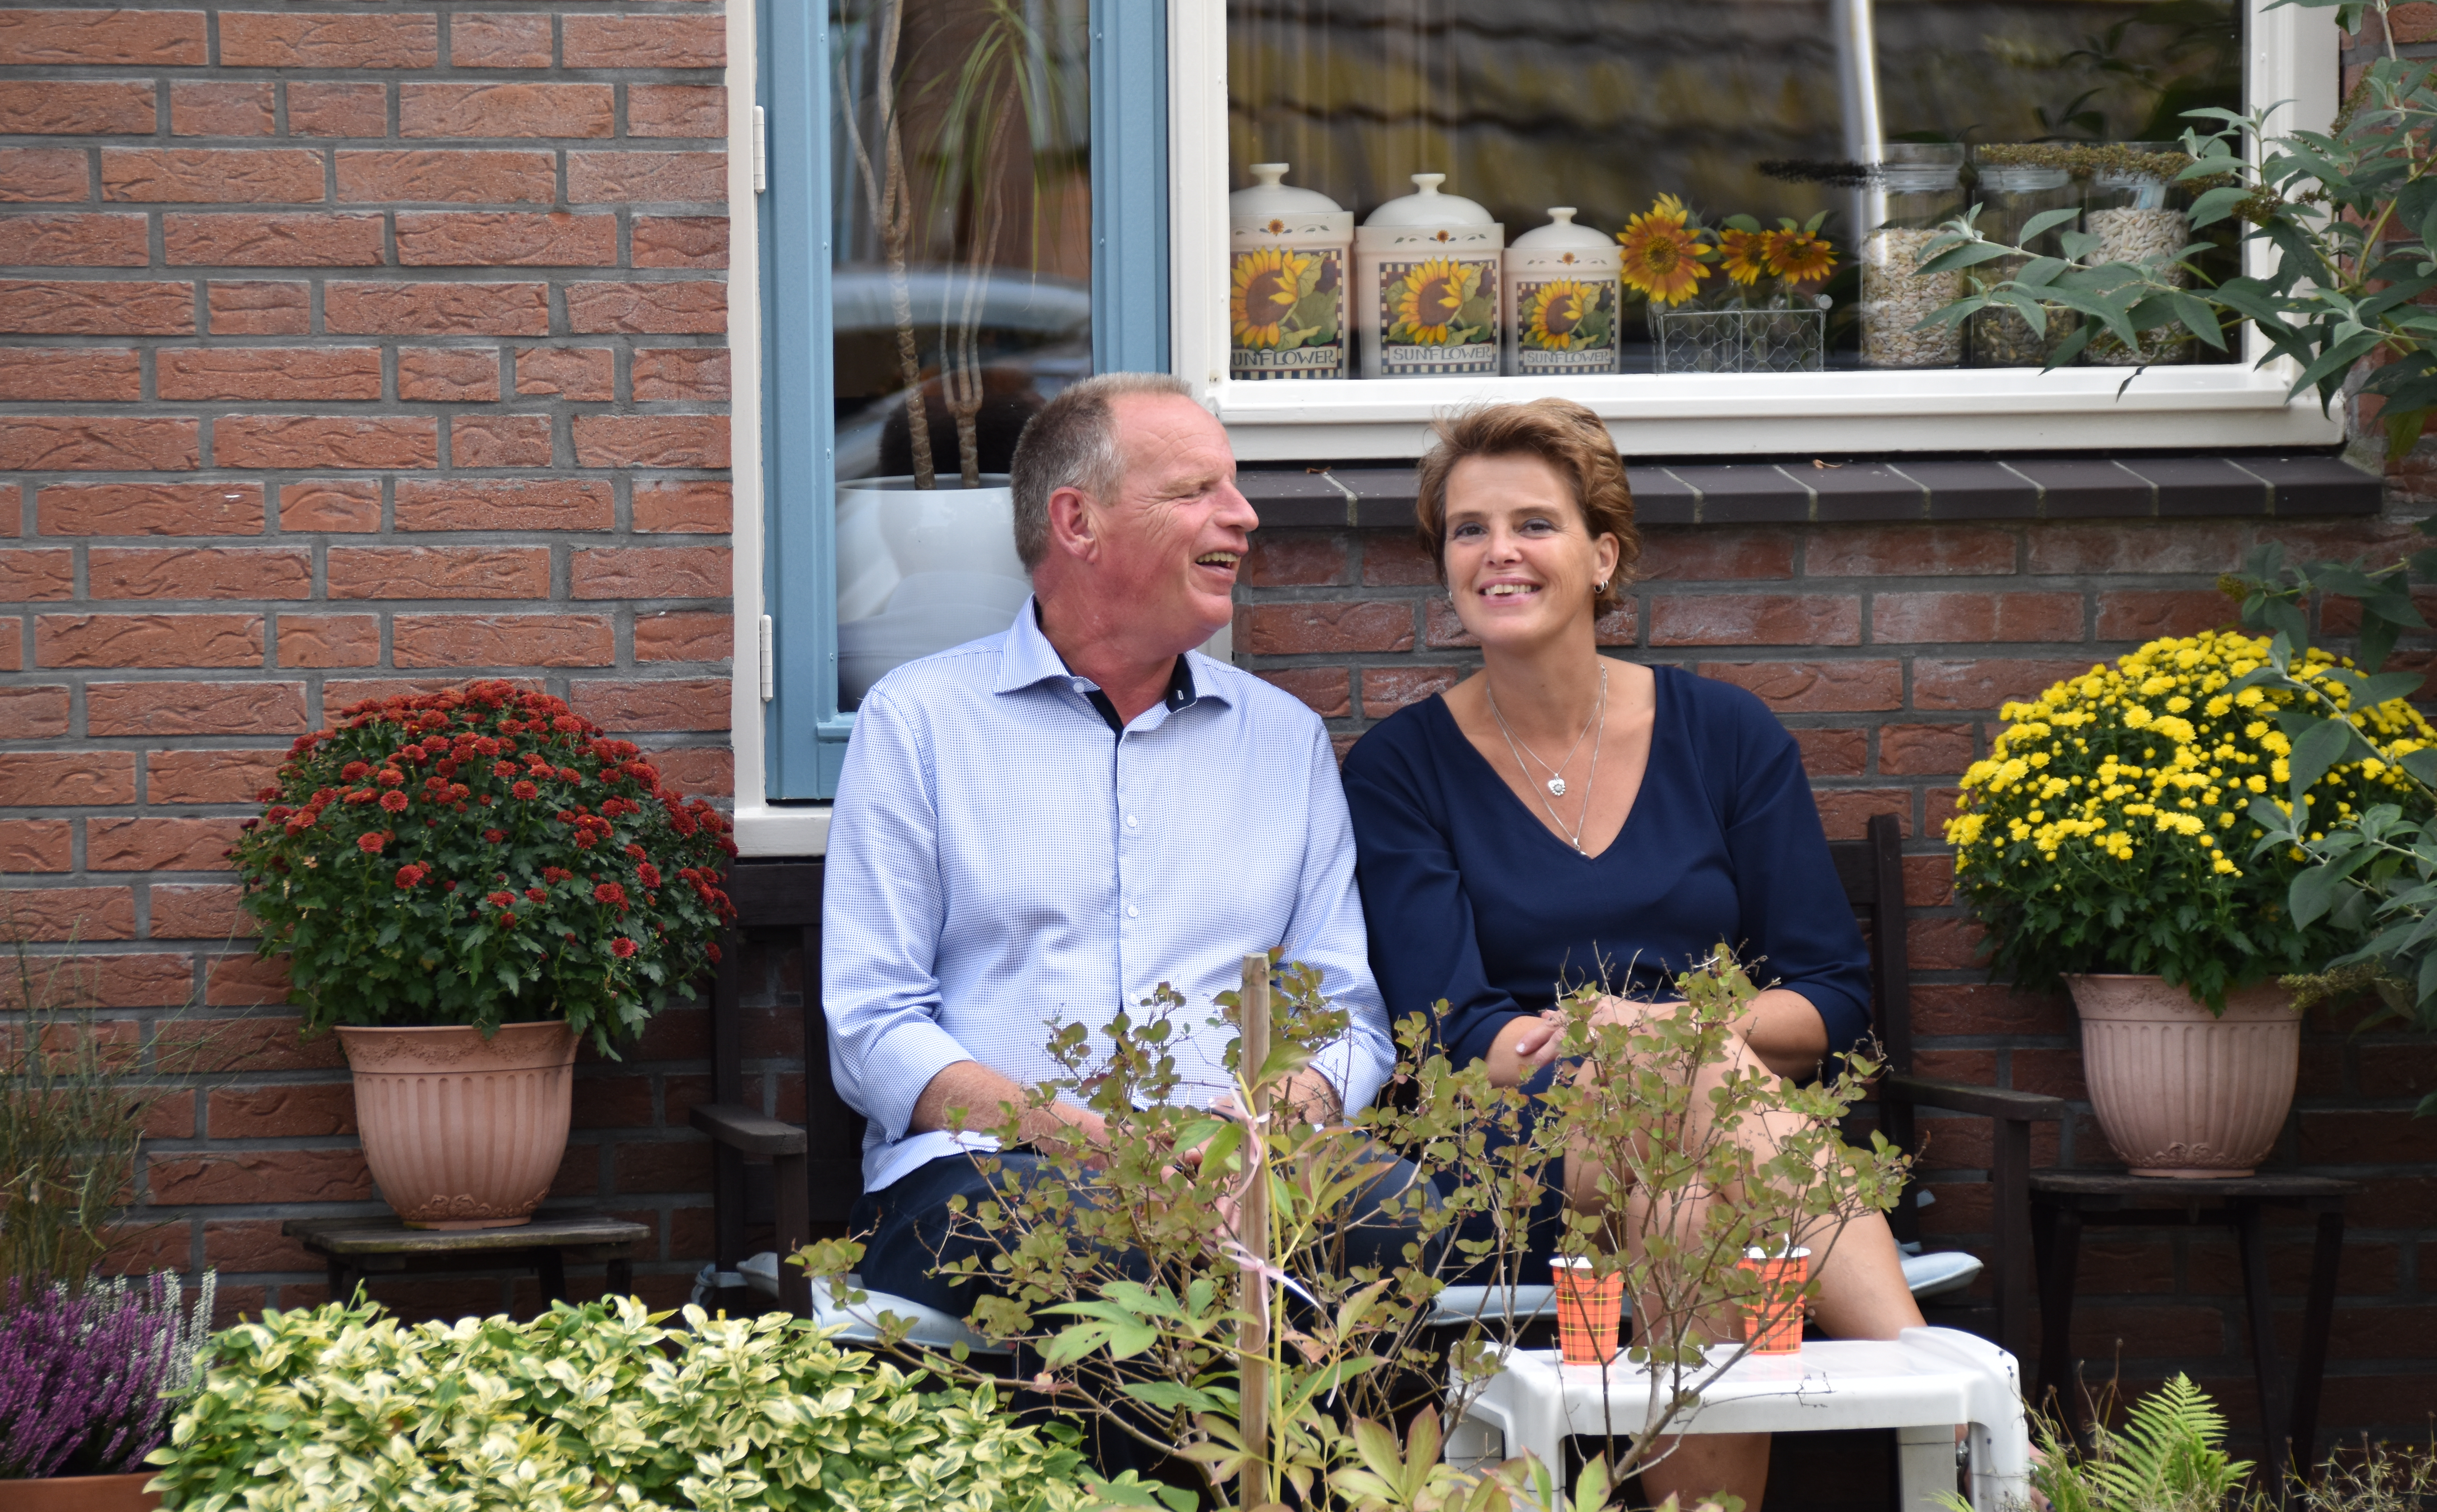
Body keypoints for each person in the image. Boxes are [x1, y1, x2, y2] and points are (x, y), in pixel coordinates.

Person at [1338, 397, 1925, 1512]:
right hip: (1512, 1159)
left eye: (1533, 524)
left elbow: (1831, 1001)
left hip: (1720, 1151)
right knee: (1694, 1087)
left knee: (1692, 1197)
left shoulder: (1726, 735)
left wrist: (1663, 1029)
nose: (1498, 552)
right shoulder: (1401, 770)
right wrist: (1647, 1050)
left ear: (1603, 554)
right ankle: (1941, 1396)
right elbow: (1456, 1037)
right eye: (1468, 530)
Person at [822, 370, 1397, 1330]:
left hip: (1255, 1168)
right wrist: (1098, 1144)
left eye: (1236, 485)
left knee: (1417, 1221)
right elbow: (874, 1028)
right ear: (1077, 523)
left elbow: (1341, 1011)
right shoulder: (919, 724)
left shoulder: (1284, 739)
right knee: (1123, 1248)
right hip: (987, 1177)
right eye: (1195, 492)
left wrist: (1261, 1132)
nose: (1244, 515)